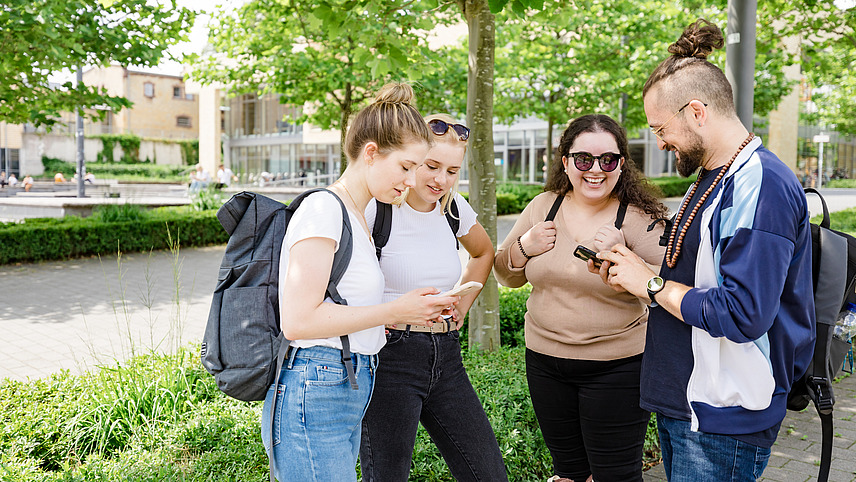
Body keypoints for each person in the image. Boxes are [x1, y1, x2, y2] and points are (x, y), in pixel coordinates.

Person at [596, 19, 815, 481]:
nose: (659, 141)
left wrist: (650, 284)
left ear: (697, 111)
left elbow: (743, 313)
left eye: (661, 127)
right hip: (691, 405)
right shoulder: (714, 176)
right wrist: (634, 271)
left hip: (724, 416)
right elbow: (702, 280)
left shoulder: (761, 184)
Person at [260, 83, 460, 482]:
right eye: (405, 167)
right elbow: (299, 321)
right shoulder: (323, 209)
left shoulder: (358, 217)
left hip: (347, 382)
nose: (411, 180)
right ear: (371, 152)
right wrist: (395, 310)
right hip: (317, 385)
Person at [494, 114, 668, 482]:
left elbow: (666, 292)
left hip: (617, 368)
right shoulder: (544, 207)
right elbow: (505, 274)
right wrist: (524, 247)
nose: (596, 170)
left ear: (621, 164)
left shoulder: (638, 218)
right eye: (584, 159)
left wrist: (626, 256)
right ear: (566, 162)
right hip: (544, 363)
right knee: (569, 474)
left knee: (614, 476)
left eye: (608, 160)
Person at [360, 114, 507, 481]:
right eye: (431, 166)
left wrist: (462, 304)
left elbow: (483, 253)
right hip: (388, 358)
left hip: (446, 357)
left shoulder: (453, 208)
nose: (441, 180)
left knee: (487, 474)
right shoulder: (376, 209)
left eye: (452, 170)